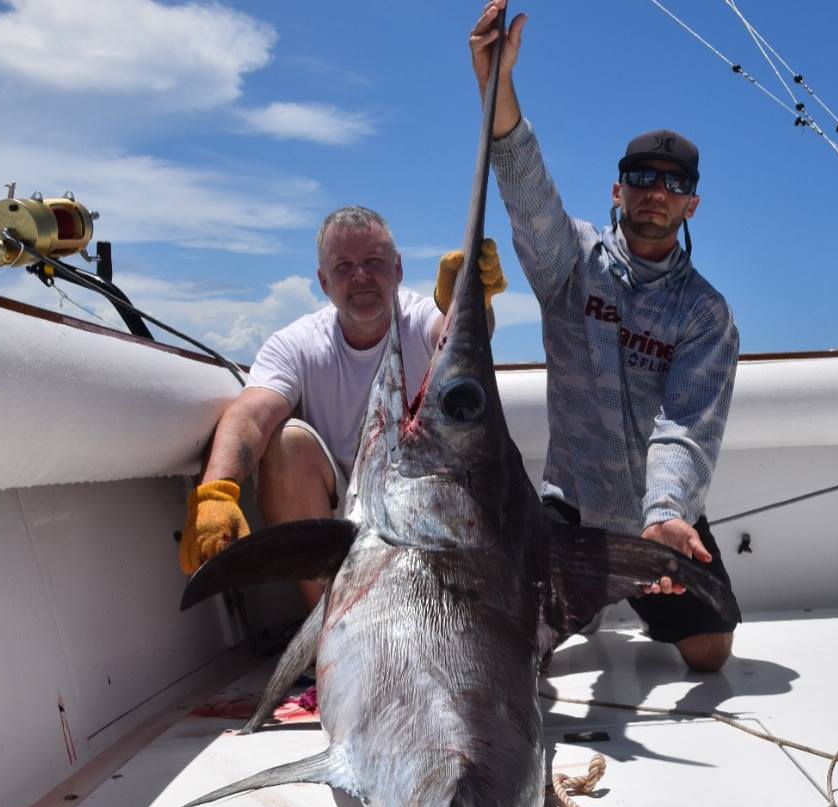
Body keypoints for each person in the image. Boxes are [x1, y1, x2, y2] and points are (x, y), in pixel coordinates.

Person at [470, 2, 741, 672]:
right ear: (617, 190)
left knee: (710, 652)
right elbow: (527, 192)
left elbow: (686, 423)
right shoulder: (570, 264)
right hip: (570, 511)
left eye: (674, 184)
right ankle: (585, 599)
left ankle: (633, 596)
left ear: (691, 205)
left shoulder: (705, 313)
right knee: (512, 653)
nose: (657, 191)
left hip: (656, 519)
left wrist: (667, 514)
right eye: (643, 177)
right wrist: (495, 85)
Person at [178, 205, 505, 607]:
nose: (361, 276)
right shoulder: (295, 344)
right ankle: (329, 627)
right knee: (286, 443)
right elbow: (252, 413)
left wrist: (470, 304)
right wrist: (217, 492)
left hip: (426, 506)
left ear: (398, 269)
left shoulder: (422, 317)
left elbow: (461, 341)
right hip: (340, 519)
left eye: (373, 262)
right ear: (323, 281)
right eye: (344, 266)